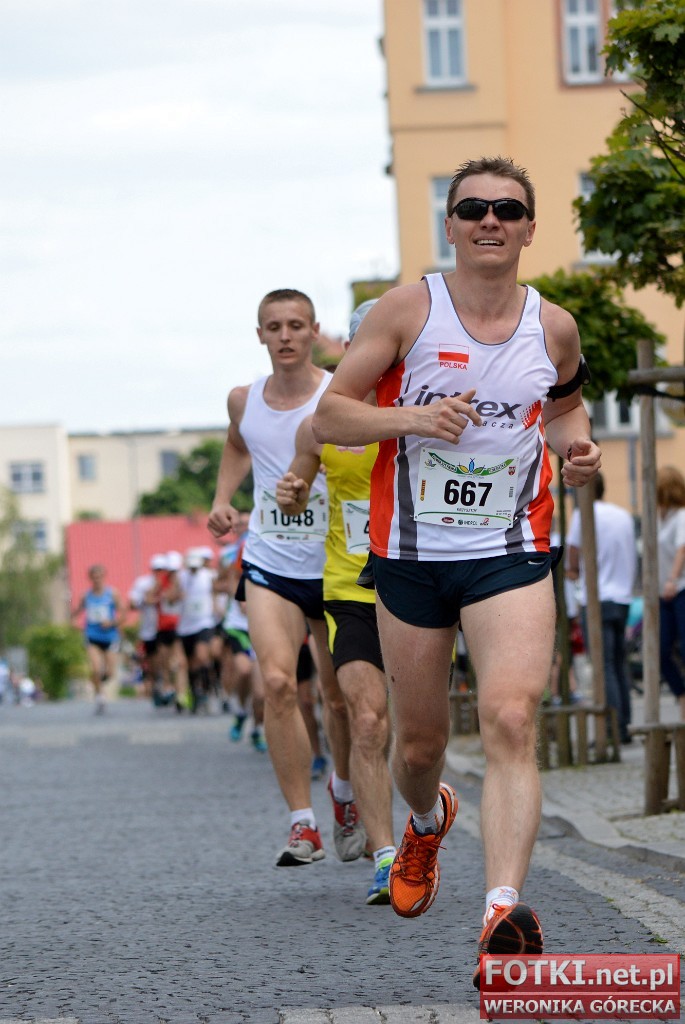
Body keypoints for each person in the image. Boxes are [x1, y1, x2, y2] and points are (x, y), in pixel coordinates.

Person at [311, 157, 601, 983]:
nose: (488, 221)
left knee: (510, 718)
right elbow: (330, 415)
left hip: (510, 550)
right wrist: (412, 419)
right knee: (418, 747)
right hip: (411, 557)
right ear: (450, 225)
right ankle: (428, 816)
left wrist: (576, 448)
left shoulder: (553, 327)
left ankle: (500, 910)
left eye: (505, 209)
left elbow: (565, 408)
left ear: (529, 228)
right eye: (472, 208)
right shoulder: (407, 310)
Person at [207, 287, 363, 867]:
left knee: (337, 697)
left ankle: (344, 793)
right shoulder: (243, 400)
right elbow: (236, 444)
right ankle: (303, 823)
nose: (286, 336)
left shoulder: (340, 395)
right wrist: (223, 499)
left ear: (315, 331)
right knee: (276, 683)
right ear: (260, 335)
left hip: (334, 562)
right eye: (274, 327)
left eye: (296, 325)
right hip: (270, 559)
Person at [276, 298, 397, 905]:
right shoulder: (321, 422)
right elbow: (296, 491)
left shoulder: (421, 409)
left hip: (415, 586)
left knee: (419, 737)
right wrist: (293, 492)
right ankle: (386, 857)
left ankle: (422, 819)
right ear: (351, 350)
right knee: (365, 716)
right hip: (350, 587)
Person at [566, 473, 637, 743]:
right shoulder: (623, 515)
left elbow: (572, 558)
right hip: (623, 598)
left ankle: (611, 729)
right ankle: (625, 724)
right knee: (619, 664)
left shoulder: (583, 515)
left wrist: (573, 571)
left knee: (602, 664)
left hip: (597, 598)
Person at [71, 564, 124, 714]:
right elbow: (75, 614)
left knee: (110, 673)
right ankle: (100, 696)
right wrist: (76, 625)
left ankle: (97, 681)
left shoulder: (112, 594)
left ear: (104, 577)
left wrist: (112, 623)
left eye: (99, 577)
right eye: (94, 577)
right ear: (90, 578)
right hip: (92, 636)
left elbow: (123, 615)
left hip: (110, 637)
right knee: (95, 668)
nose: (97, 580)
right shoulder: (86, 596)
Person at [655, 466, 685, 721]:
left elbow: (682, 549)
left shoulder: (681, 515)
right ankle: (682, 695)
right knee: (660, 650)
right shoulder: (658, 518)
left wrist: (672, 580)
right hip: (662, 593)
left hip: (680, 589)